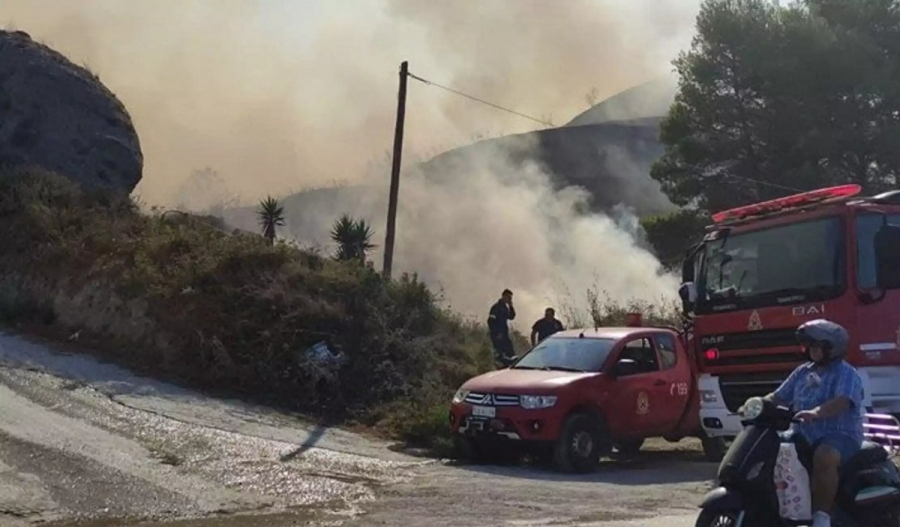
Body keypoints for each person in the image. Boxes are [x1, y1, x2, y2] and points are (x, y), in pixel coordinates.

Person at [761, 319, 864, 527]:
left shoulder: (846, 373)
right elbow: (779, 396)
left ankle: (821, 517)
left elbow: (843, 401)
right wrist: (758, 404)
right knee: (771, 448)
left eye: (817, 347)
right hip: (803, 433)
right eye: (810, 347)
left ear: (831, 348)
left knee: (824, 456)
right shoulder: (802, 371)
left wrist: (817, 413)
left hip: (840, 434)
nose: (812, 351)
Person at [487, 289, 516, 366]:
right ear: (504, 296)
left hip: (504, 333)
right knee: (499, 353)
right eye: (508, 297)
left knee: (510, 353)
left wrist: (511, 306)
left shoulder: (505, 308)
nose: (509, 299)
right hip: (497, 334)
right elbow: (490, 321)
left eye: (510, 298)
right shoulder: (496, 307)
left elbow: (511, 317)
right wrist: (496, 333)